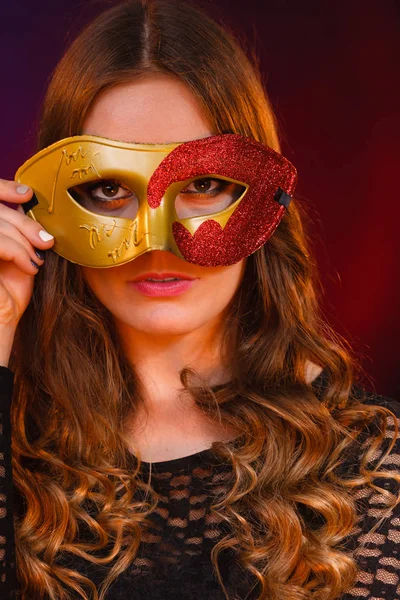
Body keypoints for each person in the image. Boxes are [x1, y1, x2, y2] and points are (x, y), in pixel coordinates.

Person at [0, 1, 399, 599]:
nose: (158, 245)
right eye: (108, 189)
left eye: (205, 185)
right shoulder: (15, 436)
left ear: (268, 201)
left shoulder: (373, 462)